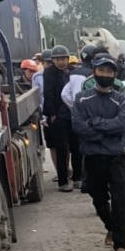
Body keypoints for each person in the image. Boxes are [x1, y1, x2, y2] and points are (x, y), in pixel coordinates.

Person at [72, 53, 125, 251]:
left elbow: (122, 124)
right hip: (92, 157)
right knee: (97, 198)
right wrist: (107, 131)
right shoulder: (81, 99)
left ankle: (121, 244)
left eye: (109, 71)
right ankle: (111, 227)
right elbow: (79, 127)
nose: (105, 74)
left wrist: (95, 123)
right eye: (101, 70)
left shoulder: (121, 99)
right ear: (94, 72)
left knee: (119, 199)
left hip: (115, 156)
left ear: (114, 75)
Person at [42, 44, 79, 191]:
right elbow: (48, 93)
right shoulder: (49, 73)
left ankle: (78, 178)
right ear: (53, 60)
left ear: (67, 59)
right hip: (58, 116)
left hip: (73, 115)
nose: (61, 62)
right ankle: (63, 181)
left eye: (63, 58)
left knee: (76, 148)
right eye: (57, 59)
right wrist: (52, 114)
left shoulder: (73, 72)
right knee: (62, 149)